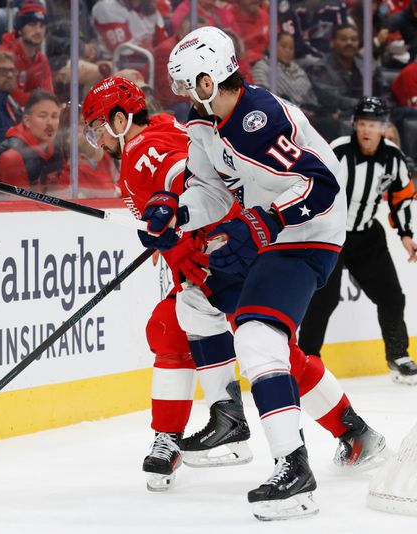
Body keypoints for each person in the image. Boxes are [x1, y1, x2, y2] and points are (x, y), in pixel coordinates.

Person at [81, 75, 387, 499]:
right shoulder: (168, 129)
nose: (95, 139)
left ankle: (203, 428)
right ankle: (352, 431)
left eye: (97, 126)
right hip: (223, 243)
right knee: (267, 348)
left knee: (184, 328)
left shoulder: (142, 150)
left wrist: (178, 225)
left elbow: (180, 179)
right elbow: (196, 185)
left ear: (118, 119)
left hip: (225, 248)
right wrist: (170, 229)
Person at [154, 26, 356, 519]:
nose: (188, 96)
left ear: (217, 74)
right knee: (221, 316)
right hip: (270, 232)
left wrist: (267, 219)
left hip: (309, 233)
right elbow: (213, 193)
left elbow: (321, 185)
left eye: (193, 84)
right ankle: (316, 440)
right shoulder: (203, 123)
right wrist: (175, 213)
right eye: (181, 88)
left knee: (259, 338)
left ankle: (295, 470)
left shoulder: (257, 118)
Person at [299, 97, 417, 385]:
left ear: (384, 127)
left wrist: (405, 234)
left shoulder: (392, 157)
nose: (367, 130)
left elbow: (401, 197)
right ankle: (306, 359)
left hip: (367, 236)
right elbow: (313, 185)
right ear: (355, 124)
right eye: (363, 124)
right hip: (332, 235)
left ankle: (398, 355)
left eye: (374, 125)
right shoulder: (338, 151)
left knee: (391, 296)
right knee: (323, 300)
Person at [0, 89, 66, 194]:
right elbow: (22, 205)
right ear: (27, 121)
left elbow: (64, 191)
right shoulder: (12, 157)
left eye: (54, 116)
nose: (50, 123)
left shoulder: (56, 149)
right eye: (43, 116)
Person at [0, 0, 53, 108]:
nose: (38, 30)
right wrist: (39, 99)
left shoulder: (41, 59)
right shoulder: (3, 55)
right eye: (32, 25)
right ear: (20, 29)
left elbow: (49, 97)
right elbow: (14, 99)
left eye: (42, 26)